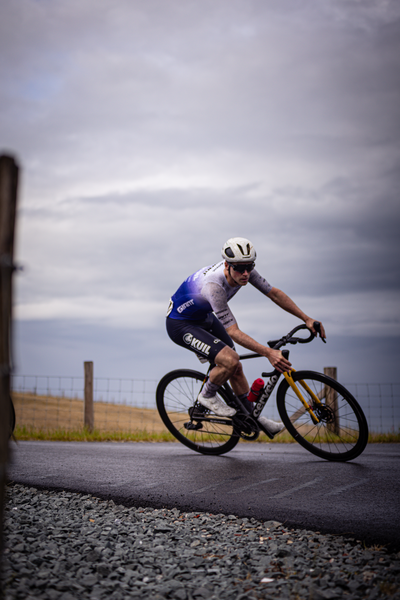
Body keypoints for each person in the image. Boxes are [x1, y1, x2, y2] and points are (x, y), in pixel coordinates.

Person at [166, 237, 326, 437]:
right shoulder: (214, 287)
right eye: (240, 268)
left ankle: (252, 416)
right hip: (181, 324)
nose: (245, 274)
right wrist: (268, 353)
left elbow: (274, 294)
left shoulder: (244, 272)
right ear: (227, 265)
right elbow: (233, 330)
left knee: (236, 365)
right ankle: (207, 396)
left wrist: (306, 318)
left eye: (250, 267)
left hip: (203, 318)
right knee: (230, 360)